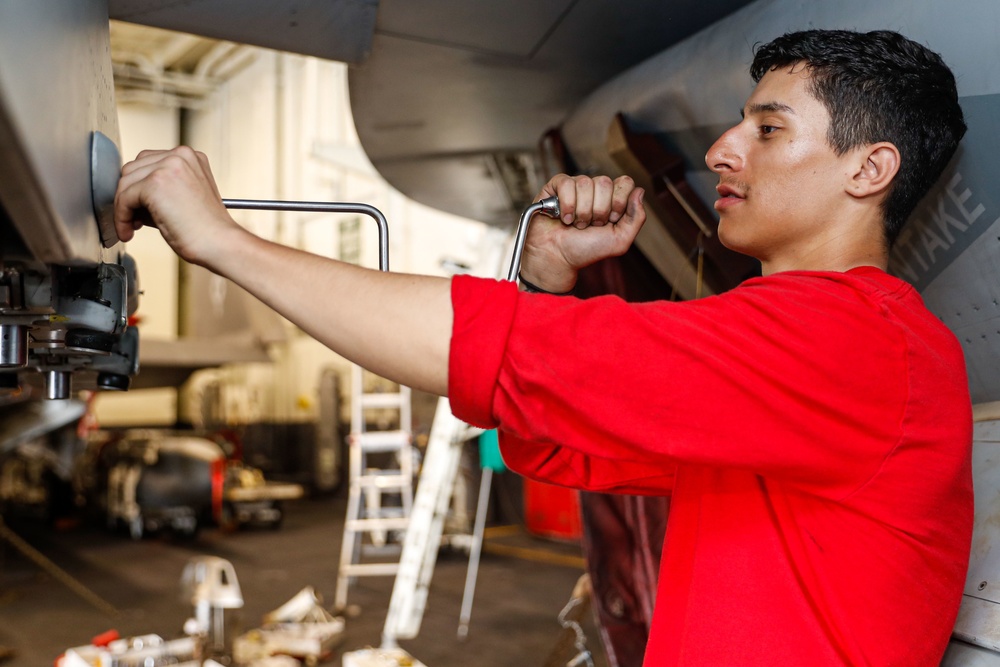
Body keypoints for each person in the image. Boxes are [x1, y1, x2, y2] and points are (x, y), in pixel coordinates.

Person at [114, 28, 971, 666]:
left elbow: (491, 349)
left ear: (870, 169)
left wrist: (225, 243)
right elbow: (558, 442)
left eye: (769, 131)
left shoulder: (851, 340)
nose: (721, 149)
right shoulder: (794, 346)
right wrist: (546, 280)